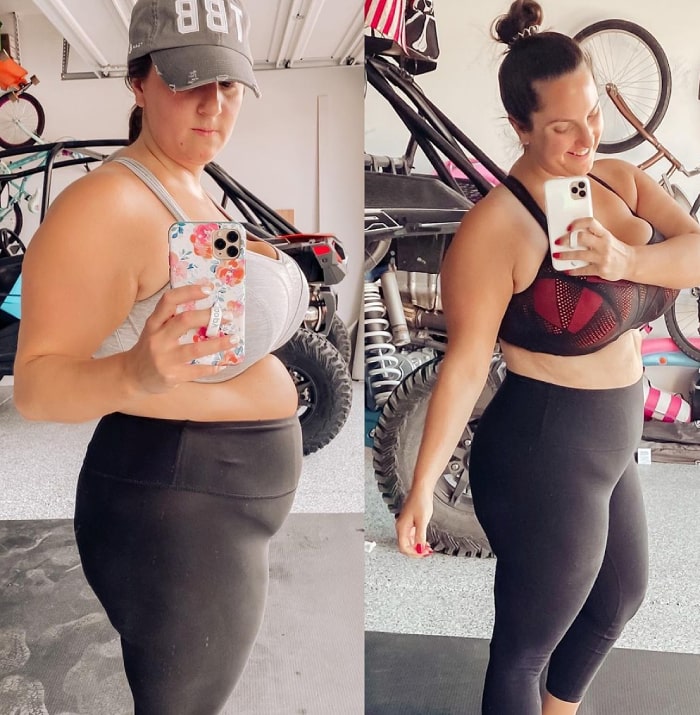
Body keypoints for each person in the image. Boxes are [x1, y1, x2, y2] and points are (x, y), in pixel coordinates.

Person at [395, 1, 700, 714]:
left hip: (614, 438)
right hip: (544, 451)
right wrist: (422, 486)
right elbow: (465, 365)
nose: (586, 137)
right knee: (525, 648)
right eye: (563, 125)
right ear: (521, 126)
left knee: (617, 601)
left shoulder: (621, 182)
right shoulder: (494, 230)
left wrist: (626, 259)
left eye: (592, 113)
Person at [13, 0, 309, 712]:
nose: (214, 105)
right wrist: (132, 372)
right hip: (174, 511)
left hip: (208, 502)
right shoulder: (105, 205)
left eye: (229, 84)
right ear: (138, 83)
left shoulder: (190, 183)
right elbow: (35, 388)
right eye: (188, 81)